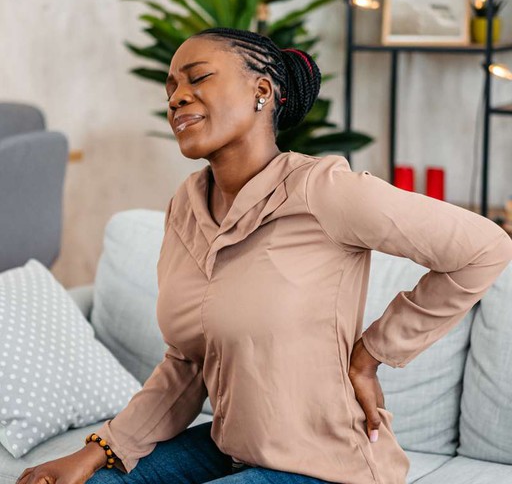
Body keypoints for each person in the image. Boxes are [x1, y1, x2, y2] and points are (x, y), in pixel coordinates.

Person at [16, 27, 512, 484]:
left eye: (199, 78)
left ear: (262, 91)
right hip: (229, 449)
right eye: (170, 88)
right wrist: (100, 449)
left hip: (329, 467)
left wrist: (373, 353)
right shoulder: (184, 209)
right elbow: (187, 363)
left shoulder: (325, 191)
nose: (177, 98)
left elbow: (483, 248)